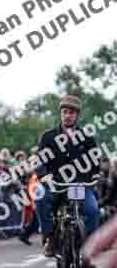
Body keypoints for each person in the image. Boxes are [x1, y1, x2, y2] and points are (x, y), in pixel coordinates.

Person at [35, 95, 100, 259]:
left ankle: (89, 247)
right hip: (55, 183)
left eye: (71, 112)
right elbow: (39, 162)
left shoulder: (87, 137)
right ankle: (49, 237)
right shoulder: (48, 136)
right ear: (60, 113)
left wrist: (95, 175)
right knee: (40, 195)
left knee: (93, 211)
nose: (68, 115)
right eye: (65, 112)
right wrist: (44, 175)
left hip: (80, 184)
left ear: (77, 115)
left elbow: (95, 162)